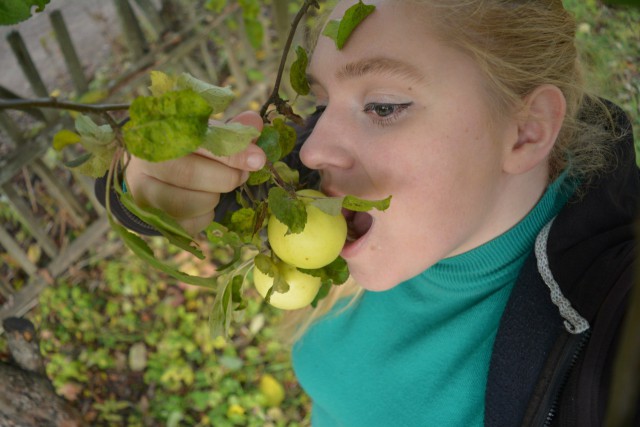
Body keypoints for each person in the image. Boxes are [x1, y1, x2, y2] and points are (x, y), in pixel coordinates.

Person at [97, 0, 639, 425]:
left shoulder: (608, 314)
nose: (312, 149)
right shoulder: (319, 184)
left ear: (527, 129)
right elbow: (161, 194)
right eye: (323, 101)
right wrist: (149, 186)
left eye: (383, 106)